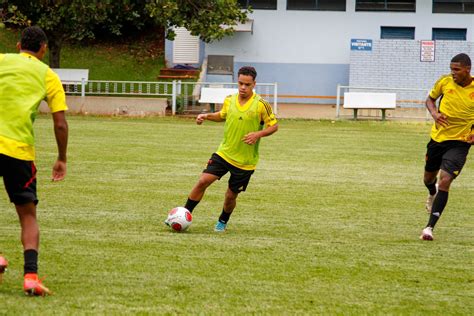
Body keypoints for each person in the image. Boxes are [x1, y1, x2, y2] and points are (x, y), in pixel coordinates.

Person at [0, 26, 69, 295]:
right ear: (43, 49)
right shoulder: (48, 75)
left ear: (18, 45)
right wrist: (61, 158)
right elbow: (60, 123)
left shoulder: (2, 60)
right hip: (19, 152)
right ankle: (30, 276)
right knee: (28, 215)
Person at [175, 66, 278, 232]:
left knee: (230, 196)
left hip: (245, 162)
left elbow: (274, 126)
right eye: (240, 83)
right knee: (202, 181)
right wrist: (206, 116)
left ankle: (222, 221)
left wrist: (258, 134)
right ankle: (183, 214)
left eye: (247, 84)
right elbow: (222, 115)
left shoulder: (261, 105)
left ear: (254, 84)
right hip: (224, 153)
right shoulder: (230, 99)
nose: (243, 87)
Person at [420, 53, 473, 241]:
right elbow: (429, 99)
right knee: (428, 179)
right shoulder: (444, 81)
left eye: (457, 70)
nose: (453, 73)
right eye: (451, 69)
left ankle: (429, 228)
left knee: (445, 181)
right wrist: (434, 114)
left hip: (460, 142)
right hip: (438, 139)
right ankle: (431, 192)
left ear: (468, 69)